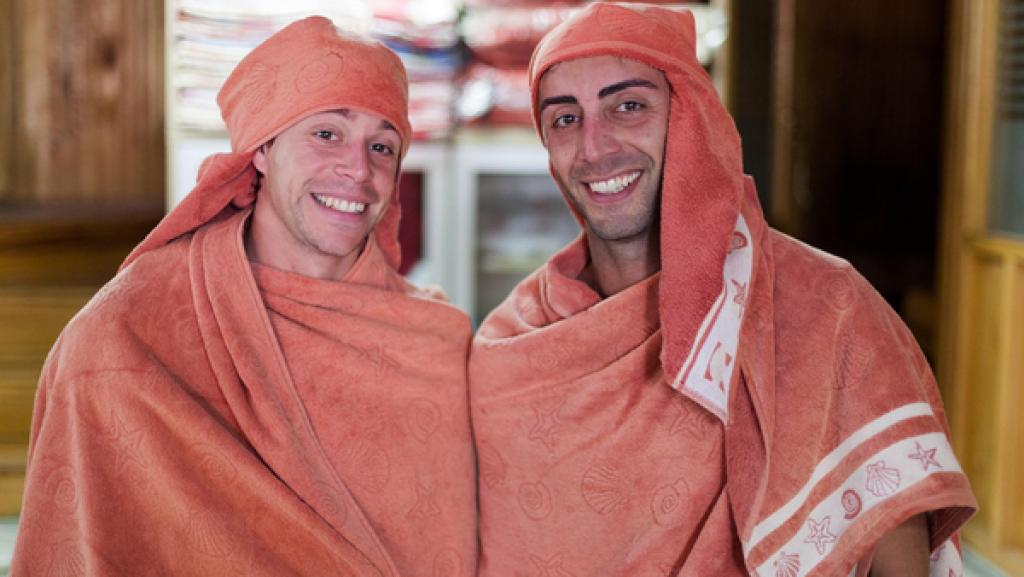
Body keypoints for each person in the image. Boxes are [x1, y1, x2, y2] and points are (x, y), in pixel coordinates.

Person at [469, 4, 977, 576]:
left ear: (690, 117)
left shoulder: (829, 308)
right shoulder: (514, 346)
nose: (594, 147)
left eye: (628, 106)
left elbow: (897, 543)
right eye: (565, 118)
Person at [12, 17, 476, 576]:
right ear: (261, 149)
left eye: (382, 146)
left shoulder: (432, 344)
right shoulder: (126, 334)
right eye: (326, 134)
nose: (358, 169)